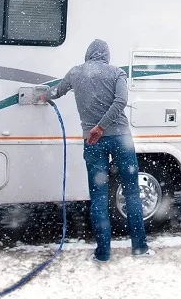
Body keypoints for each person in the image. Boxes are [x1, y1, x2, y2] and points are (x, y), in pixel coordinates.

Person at [45, 39, 152, 262]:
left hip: (93, 142)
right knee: (132, 193)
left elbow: (57, 91)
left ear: (88, 54)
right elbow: (121, 101)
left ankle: (103, 253)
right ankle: (140, 248)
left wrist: (43, 95)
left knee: (99, 197)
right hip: (121, 138)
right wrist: (103, 126)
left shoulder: (76, 73)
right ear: (106, 55)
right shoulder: (117, 73)